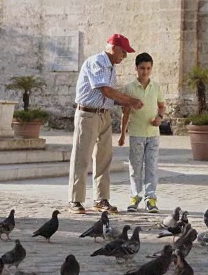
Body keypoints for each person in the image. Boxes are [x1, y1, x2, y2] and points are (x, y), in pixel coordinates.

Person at [67, 34, 144, 214]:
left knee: (104, 159)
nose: (124, 57)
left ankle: (101, 199)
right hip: (88, 115)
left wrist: (123, 102)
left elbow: (107, 96)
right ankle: (75, 200)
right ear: (113, 48)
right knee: (82, 157)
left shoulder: (111, 67)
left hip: (104, 115)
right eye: (123, 52)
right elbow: (106, 90)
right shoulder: (97, 62)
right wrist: (130, 100)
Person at [118, 52, 166, 213]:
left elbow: (161, 106)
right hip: (136, 133)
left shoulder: (156, 87)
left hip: (153, 134)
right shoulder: (129, 89)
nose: (145, 72)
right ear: (136, 68)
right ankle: (135, 196)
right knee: (135, 166)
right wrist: (123, 134)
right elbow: (125, 113)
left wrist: (159, 118)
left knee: (151, 166)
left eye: (148, 68)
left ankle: (151, 198)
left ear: (151, 69)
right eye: (142, 68)